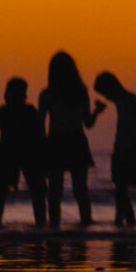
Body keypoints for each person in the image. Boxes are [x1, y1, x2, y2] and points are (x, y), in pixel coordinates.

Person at [38, 52, 103, 229]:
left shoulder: (48, 94)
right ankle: (86, 225)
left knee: (55, 192)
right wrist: (97, 112)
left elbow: (40, 123)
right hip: (75, 141)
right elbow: (88, 123)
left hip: (57, 141)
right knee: (80, 191)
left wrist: (40, 147)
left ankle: (54, 227)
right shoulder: (80, 92)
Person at [90, 72, 136, 228]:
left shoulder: (131, 100)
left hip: (129, 151)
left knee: (121, 191)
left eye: (105, 92)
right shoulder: (122, 101)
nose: (106, 97)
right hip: (121, 150)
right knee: (120, 191)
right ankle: (121, 225)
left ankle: (127, 224)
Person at [0, 78, 47, 230]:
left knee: (35, 193)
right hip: (16, 155)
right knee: (36, 194)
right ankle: (40, 227)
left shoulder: (3, 113)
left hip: (23, 155)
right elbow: (41, 137)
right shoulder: (8, 113)